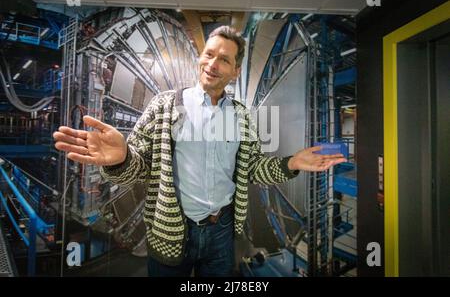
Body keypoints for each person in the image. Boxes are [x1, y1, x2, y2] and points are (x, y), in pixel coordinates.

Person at [53, 25, 346, 277]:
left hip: (222, 233)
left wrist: (292, 162)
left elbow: (252, 169)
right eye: (209, 54)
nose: (212, 64)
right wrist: (122, 158)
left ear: (235, 70)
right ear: (200, 57)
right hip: (170, 233)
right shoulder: (164, 106)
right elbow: (140, 166)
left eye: (223, 59)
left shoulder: (242, 117)